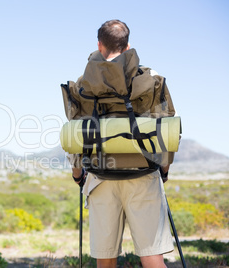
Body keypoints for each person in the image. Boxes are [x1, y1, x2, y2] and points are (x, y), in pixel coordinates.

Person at [70, 20, 174, 268]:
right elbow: (167, 131)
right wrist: (164, 170)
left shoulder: (84, 82)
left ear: (99, 44)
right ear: (128, 46)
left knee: (104, 258)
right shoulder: (151, 78)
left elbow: (77, 136)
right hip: (144, 175)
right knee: (151, 255)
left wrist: (78, 175)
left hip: (100, 177)